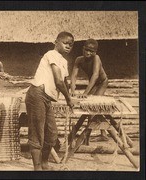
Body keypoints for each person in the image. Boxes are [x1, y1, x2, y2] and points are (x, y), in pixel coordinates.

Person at [25, 31, 75, 171]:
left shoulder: (63, 62)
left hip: (46, 98)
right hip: (37, 94)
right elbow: (59, 81)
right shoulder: (51, 54)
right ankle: (37, 168)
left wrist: (72, 93)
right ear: (56, 42)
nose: (68, 46)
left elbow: (65, 81)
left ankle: (45, 163)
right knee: (37, 132)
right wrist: (68, 99)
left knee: (52, 134)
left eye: (71, 45)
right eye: (65, 43)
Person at [70, 39, 109, 141]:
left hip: (102, 82)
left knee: (93, 105)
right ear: (83, 49)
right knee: (90, 107)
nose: (88, 53)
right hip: (94, 84)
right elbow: (74, 75)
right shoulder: (79, 60)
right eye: (86, 50)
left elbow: (95, 75)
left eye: (91, 51)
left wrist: (85, 93)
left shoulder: (96, 58)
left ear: (95, 52)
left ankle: (87, 135)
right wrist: (72, 89)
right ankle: (102, 133)